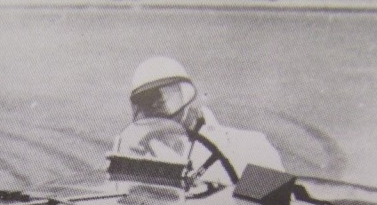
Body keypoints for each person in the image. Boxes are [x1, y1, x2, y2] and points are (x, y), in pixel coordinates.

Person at [120, 56, 285, 178]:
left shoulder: (250, 147)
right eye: (147, 101)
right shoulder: (135, 155)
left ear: (187, 96)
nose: (157, 106)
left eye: (166, 98)